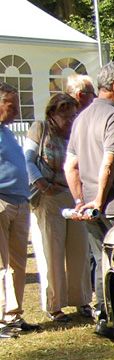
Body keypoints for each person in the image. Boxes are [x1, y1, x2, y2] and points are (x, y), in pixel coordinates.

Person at [65, 61, 114, 335]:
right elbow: (109, 163)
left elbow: (70, 167)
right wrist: (98, 201)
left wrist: (80, 201)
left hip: (90, 208)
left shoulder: (81, 118)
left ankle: (104, 318)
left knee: (101, 260)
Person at [24, 93, 90, 323]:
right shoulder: (40, 128)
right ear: (52, 114)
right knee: (52, 251)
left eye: (74, 115)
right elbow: (28, 160)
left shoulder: (75, 134)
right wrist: (42, 184)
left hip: (74, 197)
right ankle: (55, 305)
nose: (70, 120)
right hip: (49, 197)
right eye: (66, 115)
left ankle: (82, 300)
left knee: (79, 250)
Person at [0, 83, 41, 338]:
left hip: (19, 201)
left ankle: (14, 315)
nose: (16, 111)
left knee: (17, 263)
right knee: (1, 264)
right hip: (2, 202)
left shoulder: (6, 132)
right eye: (11, 106)